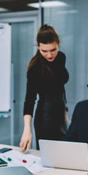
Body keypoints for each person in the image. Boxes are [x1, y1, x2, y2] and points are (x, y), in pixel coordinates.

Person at [20, 24, 69, 152]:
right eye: (44, 51)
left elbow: (60, 88)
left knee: (65, 155)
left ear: (58, 43)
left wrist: (65, 111)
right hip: (45, 118)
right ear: (38, 46)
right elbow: (29, 100)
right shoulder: (35, 68)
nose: (49, 55)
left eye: (53, 50)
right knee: (51, 158)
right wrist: (27, 129)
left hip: (61, 114)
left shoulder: (61, 57)